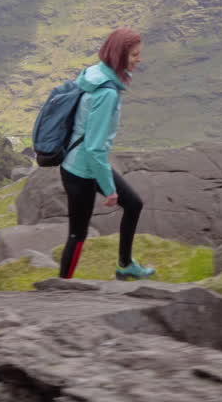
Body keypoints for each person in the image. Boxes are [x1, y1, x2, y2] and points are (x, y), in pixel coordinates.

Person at [58, 27, 155, 281]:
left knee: (133, 204)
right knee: (78, 235)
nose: (139, 59)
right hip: (81, 171)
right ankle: (60, 287)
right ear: (119, 55)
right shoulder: (107, 93)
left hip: (78, 163)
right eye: (134, 55)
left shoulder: (95, 73)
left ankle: (125, 265)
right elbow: (94, 147)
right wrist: (109, 189)